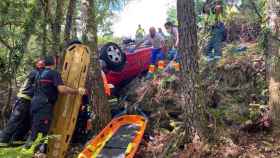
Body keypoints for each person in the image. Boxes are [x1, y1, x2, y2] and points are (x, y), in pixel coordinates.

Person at [28, 56, 85, 144]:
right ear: (54, 63)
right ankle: (35, 152)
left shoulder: (38, 73)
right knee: (40, 132)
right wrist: (77, 91)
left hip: (34, 104)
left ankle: (32, 151)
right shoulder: (53, 73)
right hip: (44, 106)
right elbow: (61, 89)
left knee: (35, 129)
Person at [0, 60, 45, 146]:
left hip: (28, 101)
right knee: (15, 120)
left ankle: (16, 140)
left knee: (26, 122)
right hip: (23, 100)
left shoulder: (36, 73)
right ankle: (2, 140)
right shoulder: (36, 73)